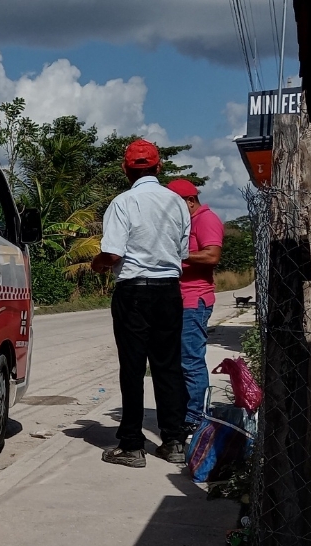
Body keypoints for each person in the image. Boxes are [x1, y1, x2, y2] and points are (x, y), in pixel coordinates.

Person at [89, 139, 192, 468]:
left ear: (125, 169)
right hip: (168, 291)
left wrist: (98, 263)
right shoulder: (177, 202)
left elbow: (114, 253)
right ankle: (174, 440)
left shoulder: (122, 203)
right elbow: (183, 254)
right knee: (168, 365)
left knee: (133, 368)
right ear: (159, 167)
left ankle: (132, 444)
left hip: (133, 290)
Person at [166, 179, 224, 429]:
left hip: (194, 299)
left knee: (190, 359)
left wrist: (176, 255)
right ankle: (185, 410)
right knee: (177, 359)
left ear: (190, 201)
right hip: (178, 299)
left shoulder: (206, 219)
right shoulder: (186, 222)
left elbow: (212, 255)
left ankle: (194, 417)